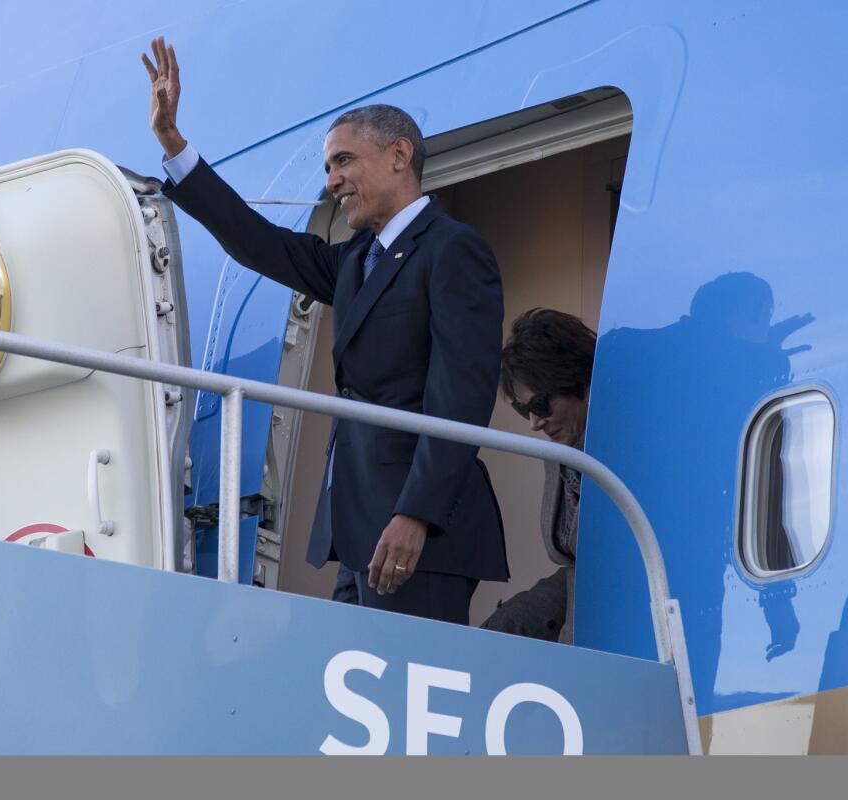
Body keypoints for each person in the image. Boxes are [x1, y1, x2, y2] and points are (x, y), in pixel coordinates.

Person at [142, 38, 508, 624]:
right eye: (327, 167)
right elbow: (259, 243)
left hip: (420, 530)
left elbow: (460, 394)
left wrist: (417, 513)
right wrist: (175, 148)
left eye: (344, 161)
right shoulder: (357, 259)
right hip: (359, 529)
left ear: (398, 154)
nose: (332, 180)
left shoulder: (452, 250)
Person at [481, 308, 596, 643]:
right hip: (579, 598)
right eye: (523, 409)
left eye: (541, 405)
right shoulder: (560, 450)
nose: (534, 422)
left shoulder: (628, 449)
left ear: (580, 384)